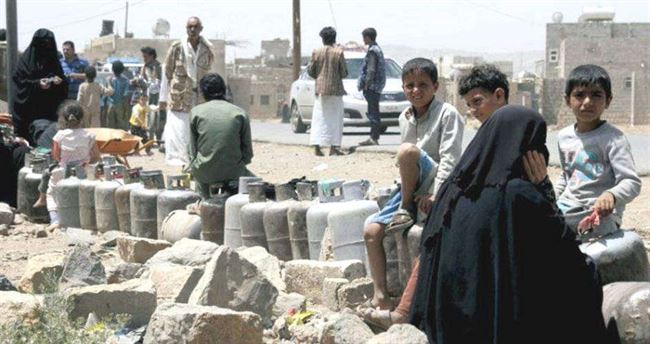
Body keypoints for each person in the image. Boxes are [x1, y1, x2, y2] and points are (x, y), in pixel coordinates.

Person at [359, 64, 554, 330]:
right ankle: (403, 309)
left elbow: (529, 200)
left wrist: (543, 187)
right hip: (475, 219)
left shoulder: (521, 140)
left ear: (499, 96)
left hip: (507, 230)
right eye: (469, 105)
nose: (473, 111)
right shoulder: (483, 140)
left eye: (477, 102)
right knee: (435, 235)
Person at [405, 105, 608, 343]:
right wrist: (544, 189)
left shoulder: (451, 190)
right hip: (502, 329)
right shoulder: (521, 195)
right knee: (586, 274)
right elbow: (566, 257)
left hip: (447, 328)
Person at [362, 58, 464, 310]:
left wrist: (435, 194)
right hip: (412, 184)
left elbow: (450, 159)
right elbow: (406, 167)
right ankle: (381, 296)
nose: (415, 91)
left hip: (438, 180)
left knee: (407, 151)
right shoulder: (404, 117)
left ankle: (406, 208)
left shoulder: (448, 114)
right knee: (371, 232)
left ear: (435, 86)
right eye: (410, 86)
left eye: (422, 85)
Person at [555, 64, 641, 237]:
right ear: (567, 100)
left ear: (608, 100)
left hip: (601, 214)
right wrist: (550, 199)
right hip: (568, 208)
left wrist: (611, 195)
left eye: (596, 95)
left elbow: (631, 182)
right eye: (579, 95)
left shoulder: (614, 139)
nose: (587, 102)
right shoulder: (564, 137)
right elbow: (567, 175)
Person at [189, 73, 254, 199]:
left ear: (203, 93)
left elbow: (192, 151)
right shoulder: (239, 113)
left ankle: (203, 201)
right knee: (256, 187)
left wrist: (200, 166)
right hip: (233, 172)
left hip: (204, 172)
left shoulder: (196, 113)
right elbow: (248, 154)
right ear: (224, 90)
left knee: (200, 182)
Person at [160, 16, 214, 166]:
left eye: (195, 27)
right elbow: (168, 71)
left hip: (199, 97)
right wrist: (164, 97)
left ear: (200, 29)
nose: (192, 30)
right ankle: (180, 158)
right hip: (181, 96)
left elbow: (207, 71)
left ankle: (195, 157)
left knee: (197, 128)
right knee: (180, 129)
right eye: (189, 27)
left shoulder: (207, 49)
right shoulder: (177, 47)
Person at [40, 101, 100, 228]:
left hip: (63, 172)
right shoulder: (89, 135)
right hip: (84, 172)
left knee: (51, 192)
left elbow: (56, 156)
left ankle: (55, 220)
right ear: (82, 117)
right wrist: (86, 162)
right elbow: (96, 157)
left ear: (64, 118)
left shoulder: (59, 136)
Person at [12, 28, 68, 145]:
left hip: (49, 114)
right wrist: (37, 84)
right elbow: (19, 83)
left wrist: (57, 82)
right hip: (28, 113)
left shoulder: (53, 61)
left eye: (48, 43)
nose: (45, 47)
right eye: (42, 43)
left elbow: (63, 85)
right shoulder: (24, 62)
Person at [307, 26, 348, 156]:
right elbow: (344, 72)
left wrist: (320, 78)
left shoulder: (316, 52)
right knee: (335, 119)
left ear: (322, 39)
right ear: (334, 38)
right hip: (336, 90)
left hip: (320, 90)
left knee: (319, 119)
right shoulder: (339, 52)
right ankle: (334, 148)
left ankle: (317, 148)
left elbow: (310, 71)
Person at [357, 27, 386, 146]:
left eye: (364, 37)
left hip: (372, 87)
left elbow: (371, 70)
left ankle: (374, 137)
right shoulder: (376, 49)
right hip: (376, 86)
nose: (363, 39)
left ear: (368, 37)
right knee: (374, 111)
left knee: (373, 112)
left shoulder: (373, 51)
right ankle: (373, 137)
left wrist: (366, 84)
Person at [139, 46, 165, 145]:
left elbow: (162, 82)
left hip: (158, 96)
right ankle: (150, 139)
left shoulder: (159, 67)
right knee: (148, 117)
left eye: (145, 57)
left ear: (152, 56)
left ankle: (159, 139)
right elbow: (143, 81)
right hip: (148, 96)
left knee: (159, 117)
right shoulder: (145, 67)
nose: (144, 59)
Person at [106, 60, 130, 130]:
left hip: (110, 104)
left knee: (110, 125)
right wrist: (126, 108)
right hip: (120, 105)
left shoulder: (110, 79)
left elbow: (107, 93)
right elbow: (125, 95)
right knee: (121, 125)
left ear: (112, 69)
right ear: (122, 70)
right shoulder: (125, 80)